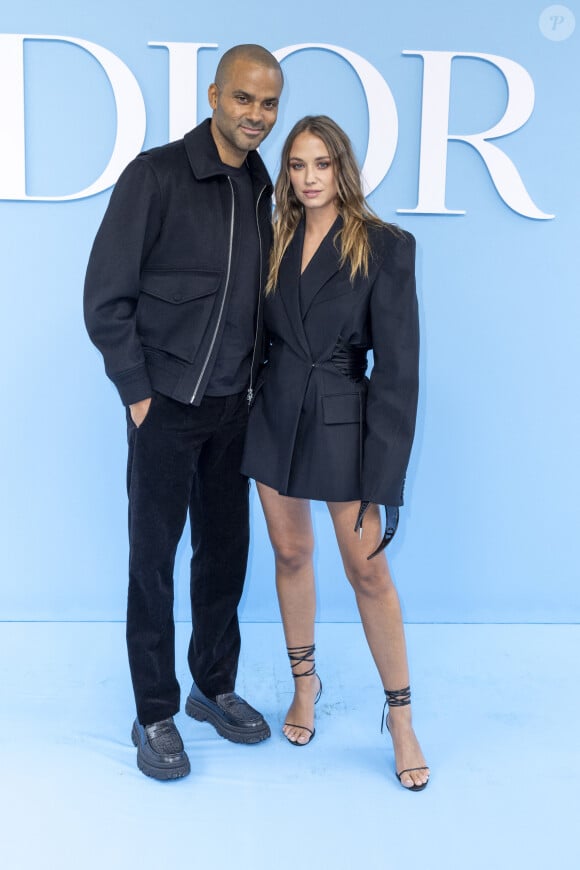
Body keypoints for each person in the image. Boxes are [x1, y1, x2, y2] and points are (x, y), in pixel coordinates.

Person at [84, 45, 284, 780]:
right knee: (153, 563)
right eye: (244, 100)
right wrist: (139, 393)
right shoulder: (157, 174)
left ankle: (214, 687)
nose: (256, 116)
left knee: (225, 556)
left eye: (267, 104)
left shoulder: (263, 185)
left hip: (236, 409)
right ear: (213, 95)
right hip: (165, 406)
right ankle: (155, 711)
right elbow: (106, 298)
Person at [241, 116, 430, 791]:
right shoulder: (273, 238)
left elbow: (399, 372)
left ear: (342, 168)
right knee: (290, 554)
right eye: (297, 165)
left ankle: (401, 720)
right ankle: (305, 682)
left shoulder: (385, 247)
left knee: (369, 574)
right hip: (274, 418)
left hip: (345, 428)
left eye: (321, 163)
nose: (309, 177)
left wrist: (385, 474)